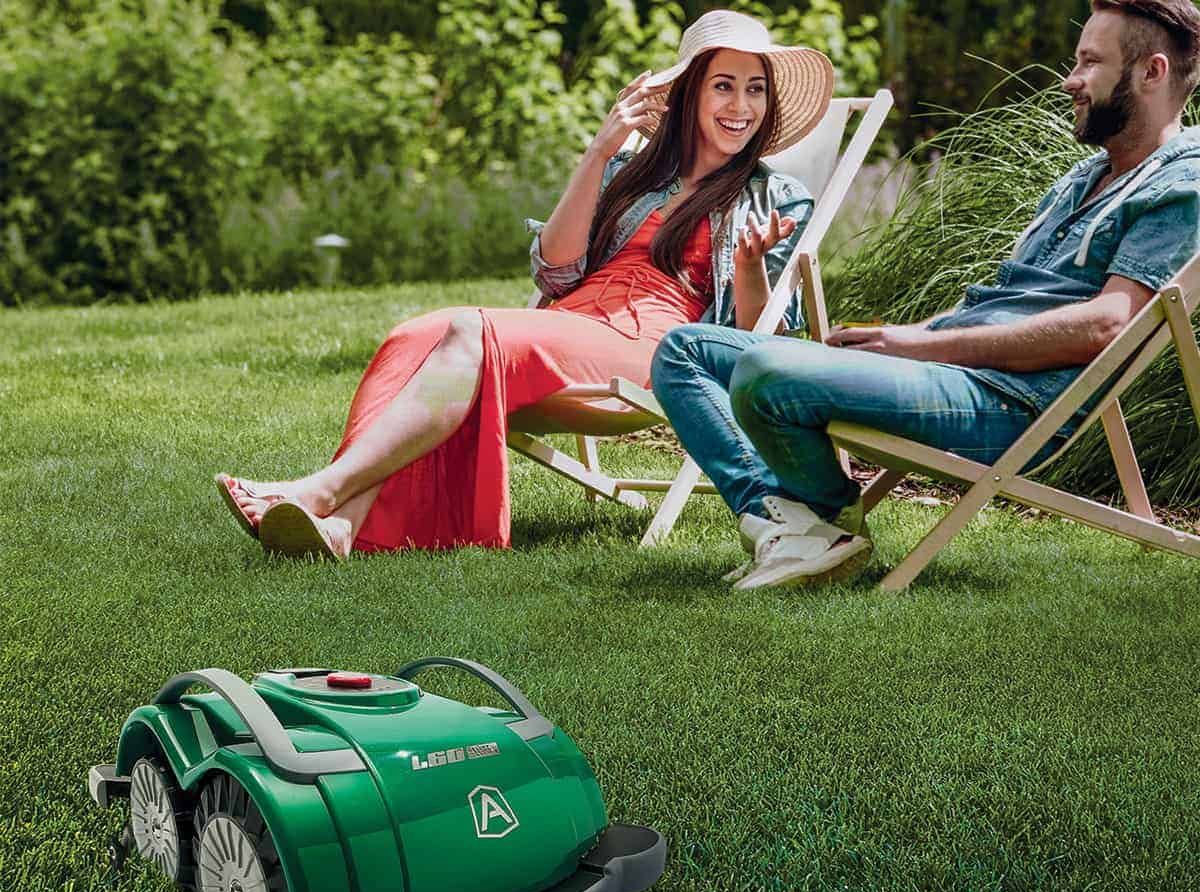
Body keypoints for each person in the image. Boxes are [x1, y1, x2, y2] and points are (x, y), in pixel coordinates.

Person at [216, 9, 834, 559]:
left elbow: (756, 344)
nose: (740, 106)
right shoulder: (633, 170)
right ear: (689, 95)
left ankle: (317, 491)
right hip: (572, 322)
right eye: (723, 86)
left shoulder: (776, 197)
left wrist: (751, 268)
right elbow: (557, 270)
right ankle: (344, 526)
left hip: (655, 348)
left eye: (754, 90)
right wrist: (599, 152)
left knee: (466, 329)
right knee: (416, 335)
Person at [651, 0, 1200, 590]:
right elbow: (997, 301)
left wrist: (917, 348)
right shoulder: (1086, 178)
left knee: (765, 367)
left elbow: (1108, 327)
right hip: (957, 371)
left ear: (1152, 72)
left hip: (1007, 403)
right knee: (685, 350)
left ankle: (817, 521)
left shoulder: (1181, 182)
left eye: (1091, 62)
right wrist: (908, 338)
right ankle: (793, 525)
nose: (1072, 80)